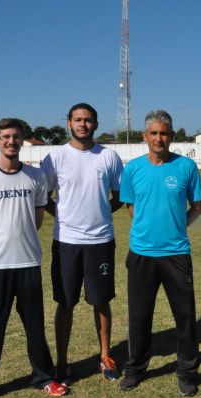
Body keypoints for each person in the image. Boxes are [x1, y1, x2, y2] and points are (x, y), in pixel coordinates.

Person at [0, 118, 67, 398]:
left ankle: (44, 377)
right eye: (6, 137)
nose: (11, 141)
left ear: (23, 141)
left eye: (16, 137)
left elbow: (36, 220)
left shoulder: (36, 177)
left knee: (35, 325)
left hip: (28, 262)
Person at [119, 109, 201, 396]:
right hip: (142, 254)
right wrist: (148, 229)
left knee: (184, 317)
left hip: (176, 253)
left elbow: (197, 206)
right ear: (145, 137)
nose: (159, 138)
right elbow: (131, 207)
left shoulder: (186, 167)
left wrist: (178, 226)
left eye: (164, 133)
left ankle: (188, 372)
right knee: (140, 316)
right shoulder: (132, 169)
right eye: (153, 133)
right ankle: (135, 368)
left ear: (172, 135)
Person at [41, 103, 123, 383]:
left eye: (88, 120)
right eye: (78, 120)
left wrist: (98, 216)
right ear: (68, 124)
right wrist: (64, 218)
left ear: (96, 124)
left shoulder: (109, 156)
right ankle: (62, 362)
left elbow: (118, 197)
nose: (83, 125)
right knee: (66, 302)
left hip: (101, 241)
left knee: (100, 301)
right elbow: (44, 198)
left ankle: (105, 356)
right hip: (66, 242)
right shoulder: (54, 157)